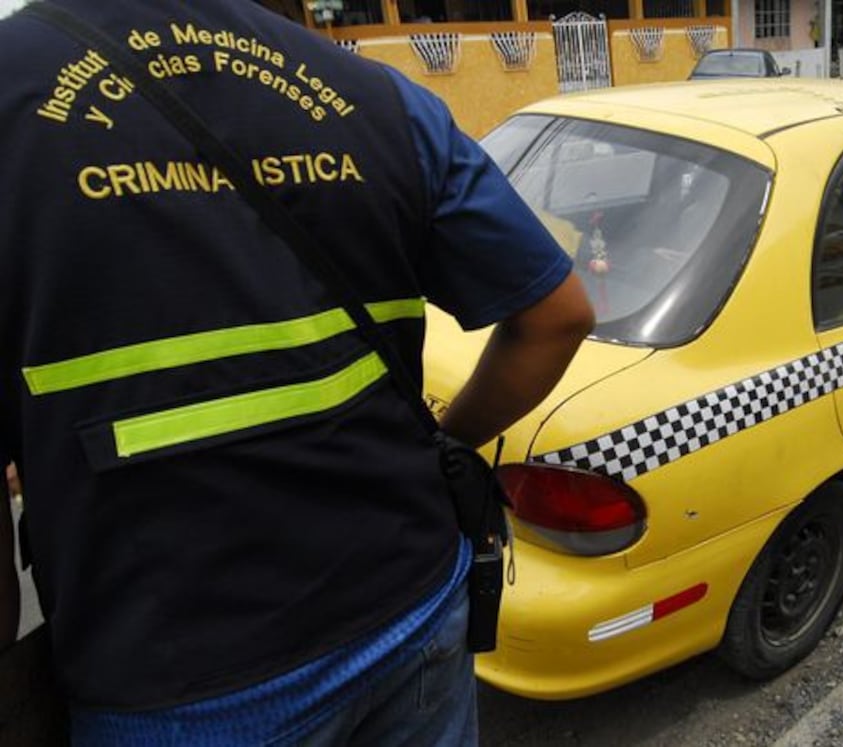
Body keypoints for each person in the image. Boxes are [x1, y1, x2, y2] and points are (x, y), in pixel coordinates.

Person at [0, 0, 594, 744]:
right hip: (409, 605)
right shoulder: (380, 97)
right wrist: (447, 439)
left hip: (175, 676)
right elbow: (557, 314)